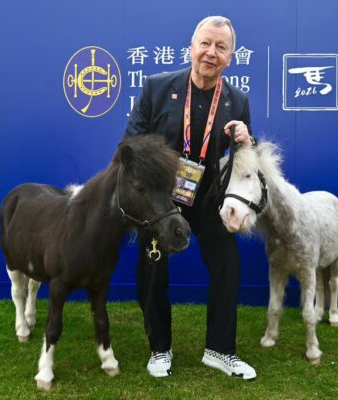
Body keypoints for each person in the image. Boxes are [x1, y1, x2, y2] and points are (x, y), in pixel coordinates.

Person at [124, 16, 257, 380]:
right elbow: (130, 146)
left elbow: (244, 163)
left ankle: (220, 350)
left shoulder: (237, 100)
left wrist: (247, 140)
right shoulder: (156, 88)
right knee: (152, 270)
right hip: (162, 201)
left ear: (230, 57)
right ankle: (160, 348)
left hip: (210, 198)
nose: (211, 53)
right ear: (191, 47)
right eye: (205, 44)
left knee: (227, 266)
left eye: (221, 47)